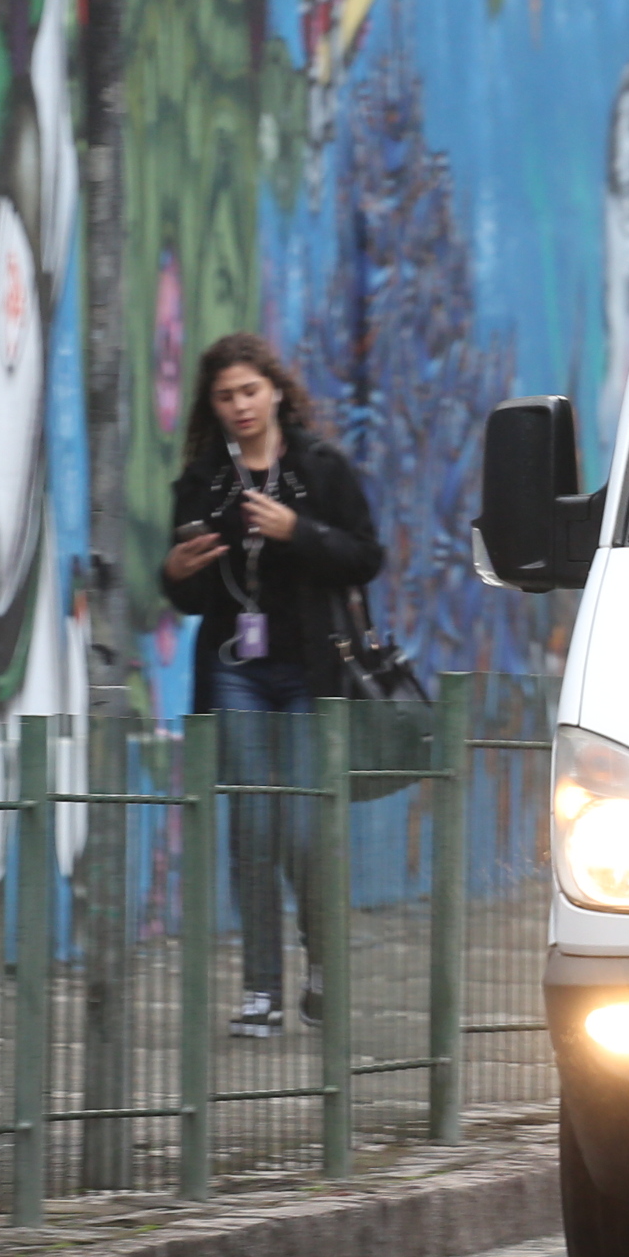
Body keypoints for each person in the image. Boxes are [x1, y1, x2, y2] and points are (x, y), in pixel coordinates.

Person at [160, 333, 383, 1036]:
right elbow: (191, 603)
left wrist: (298, 530)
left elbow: (365, 557)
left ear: (277, 390)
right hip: (237, 670)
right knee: (252, 828)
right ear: (214, 405)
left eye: (250, 390)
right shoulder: (203, 482)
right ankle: (262, 990)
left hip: (312, 673)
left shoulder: (320, 466)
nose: (240, 405)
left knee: (305, 833)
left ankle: (321, 967)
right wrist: (176, 572)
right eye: (226, 396)